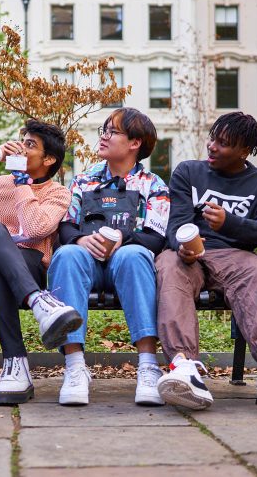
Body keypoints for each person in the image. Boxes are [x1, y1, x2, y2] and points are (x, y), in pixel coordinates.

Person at [155, 112, 257, 414]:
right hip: (190, 256)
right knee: (168, 264)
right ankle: (184, 368)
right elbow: (176, 223)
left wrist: (229, 223)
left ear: (245, 151)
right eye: (212, 138)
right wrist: (181, 246)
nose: (212, 146)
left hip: (235, 257)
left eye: (223, 143)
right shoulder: (188, 172)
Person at [48, 108, 170, 406]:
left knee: (134, 254)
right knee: (66, 254)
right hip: (86, 264)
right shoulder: (83, 180)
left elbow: (155, 237)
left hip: (127, 265)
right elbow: (66, 226)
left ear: (134, 143)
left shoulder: (154, 186)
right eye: (104, 129)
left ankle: (148, 367)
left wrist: (120, 240)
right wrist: (81, 239)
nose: (103, 136)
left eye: (112, 131)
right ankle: (75, 368)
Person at [0, 120, 81, 405]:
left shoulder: (59, 193)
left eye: (30, 145)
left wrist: (22, 182)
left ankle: (16, 363)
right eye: (22, 140)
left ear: (49, 159)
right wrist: (2, 234)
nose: (20, 147)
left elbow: (35, 229)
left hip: (28, 263)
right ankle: (39, 303)